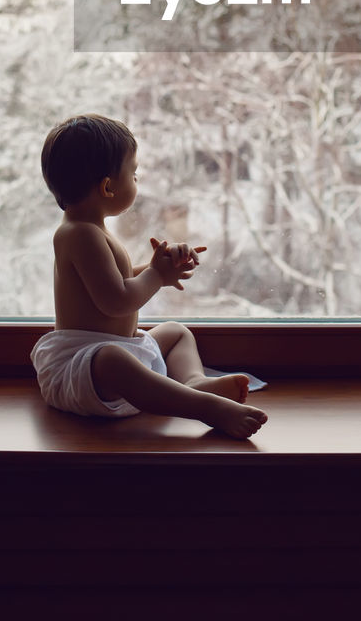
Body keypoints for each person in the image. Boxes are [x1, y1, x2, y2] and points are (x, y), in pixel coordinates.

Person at [31, 114, 267, 439]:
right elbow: (116, 301)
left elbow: (122, 282)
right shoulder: (78, 235)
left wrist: (161, 269)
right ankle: (203, 407)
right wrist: (156, 275)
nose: (137, 180)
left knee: (176, 331)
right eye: (134, 173)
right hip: (81, 369)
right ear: (108, 186)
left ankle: (193, 382)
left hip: (120, 353)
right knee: (111, 358)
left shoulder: (93, 231)